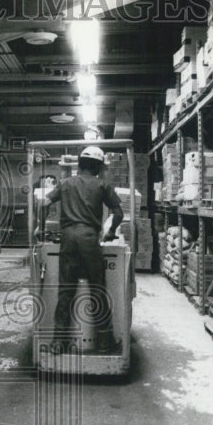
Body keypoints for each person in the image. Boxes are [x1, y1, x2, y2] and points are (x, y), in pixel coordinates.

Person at [37, 146, 125, 354]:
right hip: (89, 239)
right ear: (98, 167)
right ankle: (104, 342)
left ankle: (58, 342)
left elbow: (43, 204)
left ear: (80, 163)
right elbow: (119, 213)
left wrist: (39, 228)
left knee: (66, 290)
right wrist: (111, 231)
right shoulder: (103, 185)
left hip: (68, 238)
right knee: (97, 289)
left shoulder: (65, 184)